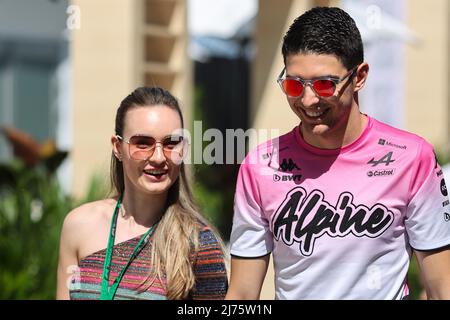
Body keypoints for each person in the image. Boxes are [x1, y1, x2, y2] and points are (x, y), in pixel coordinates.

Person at [226, 7, 450, 300]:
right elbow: (242, 294)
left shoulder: (412, 157)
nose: (308, 100)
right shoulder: (260, 165)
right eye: (294, 85)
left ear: (359, 77)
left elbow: (441, 286)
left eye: (324, 84)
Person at [56, 87, 228, 300]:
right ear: (118, 147)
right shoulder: (78, 226)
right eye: (143, 144)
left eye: (171, 143)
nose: (158, 157)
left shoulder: (198, 243)